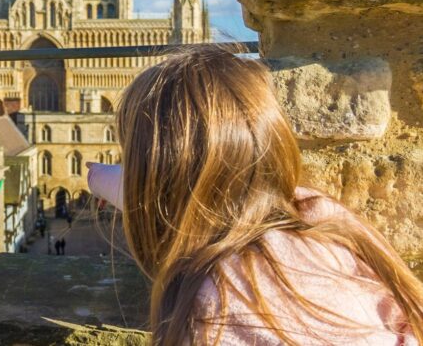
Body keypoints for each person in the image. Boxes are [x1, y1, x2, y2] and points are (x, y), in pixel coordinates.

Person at [87, 45, 423, 346]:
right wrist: (101, 178)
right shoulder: (321, 219)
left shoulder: (218, 307)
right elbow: (183, 194)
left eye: (129, 156)